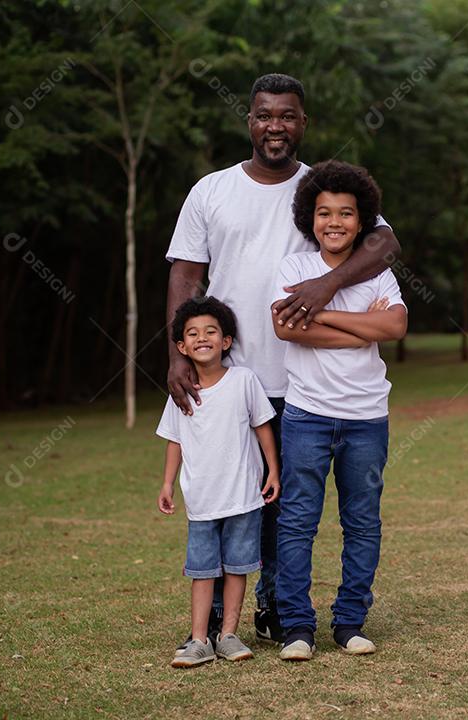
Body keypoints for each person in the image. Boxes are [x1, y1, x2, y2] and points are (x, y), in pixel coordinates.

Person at [165, 73, 401, 642]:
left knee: (281, 506)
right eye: (266, 114)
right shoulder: (211, 190)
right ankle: (217, 620)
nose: (277, 125)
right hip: (229, 375)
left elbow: (385, 243)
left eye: (288, 115)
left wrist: (325, 289)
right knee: (227, 496)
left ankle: (274, 613)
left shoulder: (318, 190)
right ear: (249, 120)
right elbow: (187, 273)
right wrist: (175, 354)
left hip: (305, 383)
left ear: (303, 123)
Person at [272, 160, 407, 661]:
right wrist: (359, 327)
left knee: (362, 522)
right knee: (297, 521)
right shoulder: (295, 268)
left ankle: (349, 623)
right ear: (310, 217)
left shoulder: (379, 272)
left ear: (363, 218)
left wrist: (320, 312)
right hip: (306, 415)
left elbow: (394, 329)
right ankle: (297, 629)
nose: (335, 222)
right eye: (324, 212)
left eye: (346, 213)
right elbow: (286, 329)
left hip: (367, 417)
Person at [156, 297, 281, 668]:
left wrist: (273, 469)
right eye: (192, 334)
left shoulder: (243, 381)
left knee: (239, 567)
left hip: (244, 497)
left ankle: (228, 634)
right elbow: (174, 440)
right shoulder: (180, 392)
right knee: (202, 571)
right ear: (182, 347)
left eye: (211, 331)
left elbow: (262, 427)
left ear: (226, 341)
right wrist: (167, 484)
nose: (202, 338)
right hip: (201, 502)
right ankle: (199, 640)